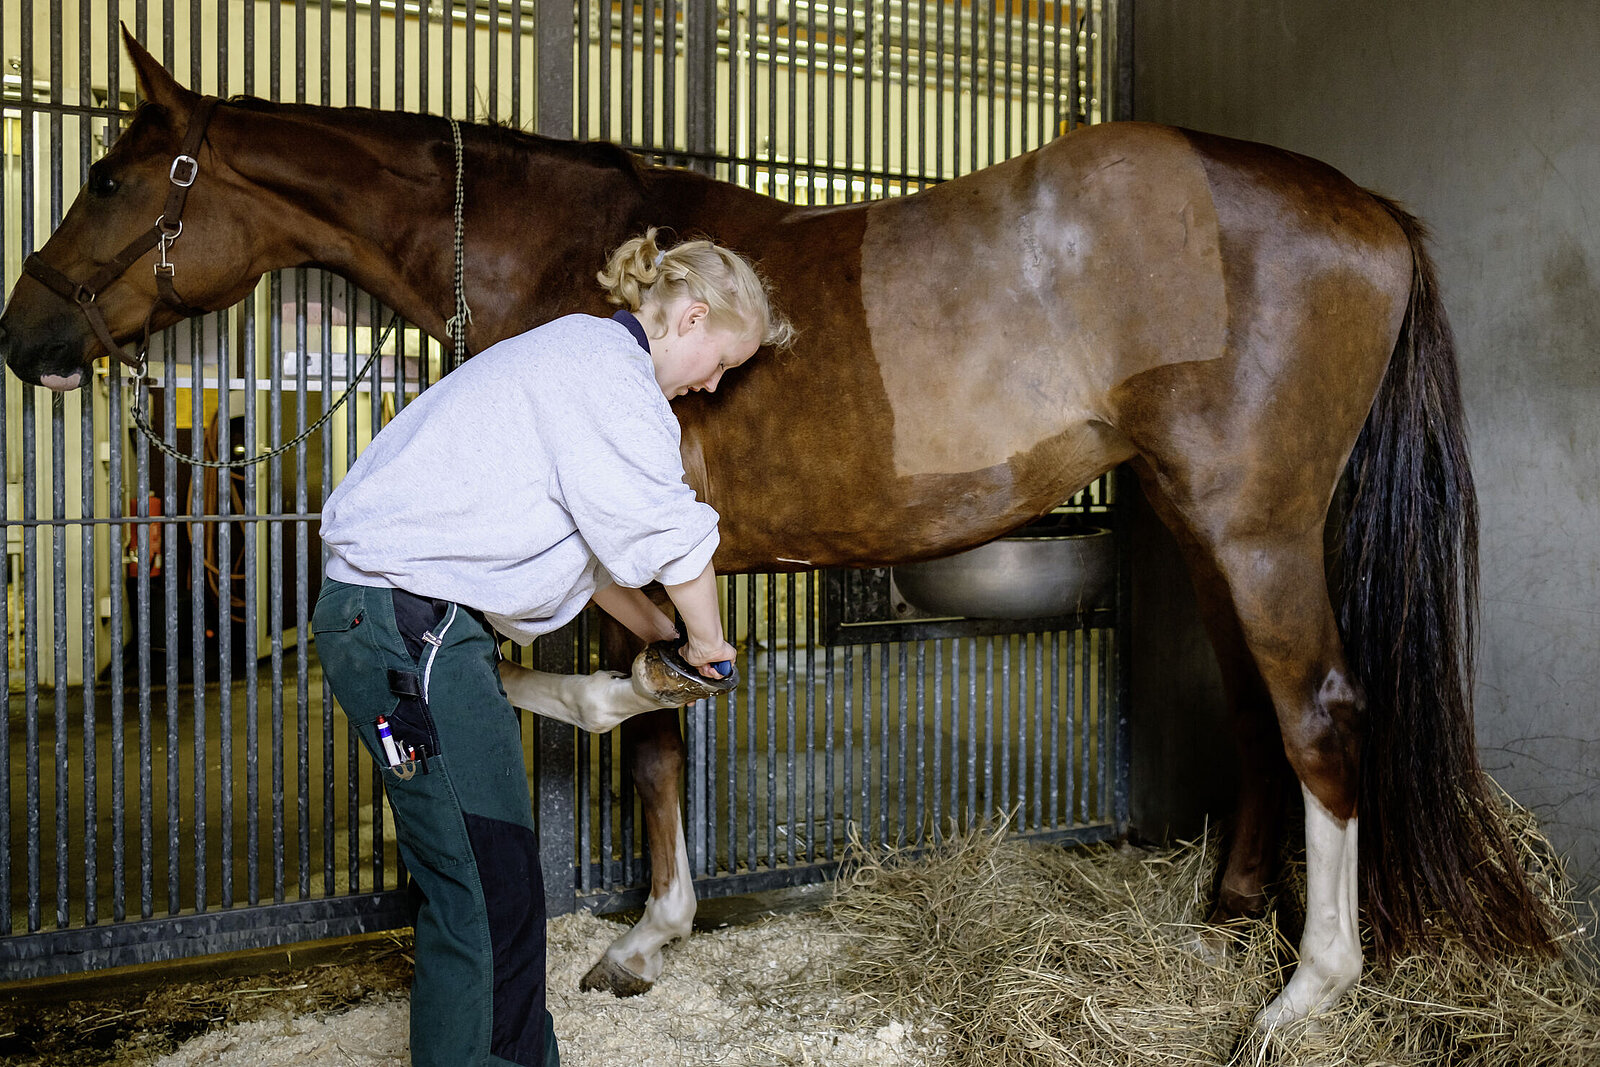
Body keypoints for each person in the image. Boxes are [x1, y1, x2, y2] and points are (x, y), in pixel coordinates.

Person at [310, 227, 791, 1067]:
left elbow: (597, 552)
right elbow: (677, 539)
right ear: (691, 319)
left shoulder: (578, 360)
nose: (715, 383)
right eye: (722, 361)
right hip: (407, 625)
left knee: (490, 881)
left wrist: (663, 635)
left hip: (406, 623)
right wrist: (710, 640)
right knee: (486, 889)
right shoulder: (610, 376)